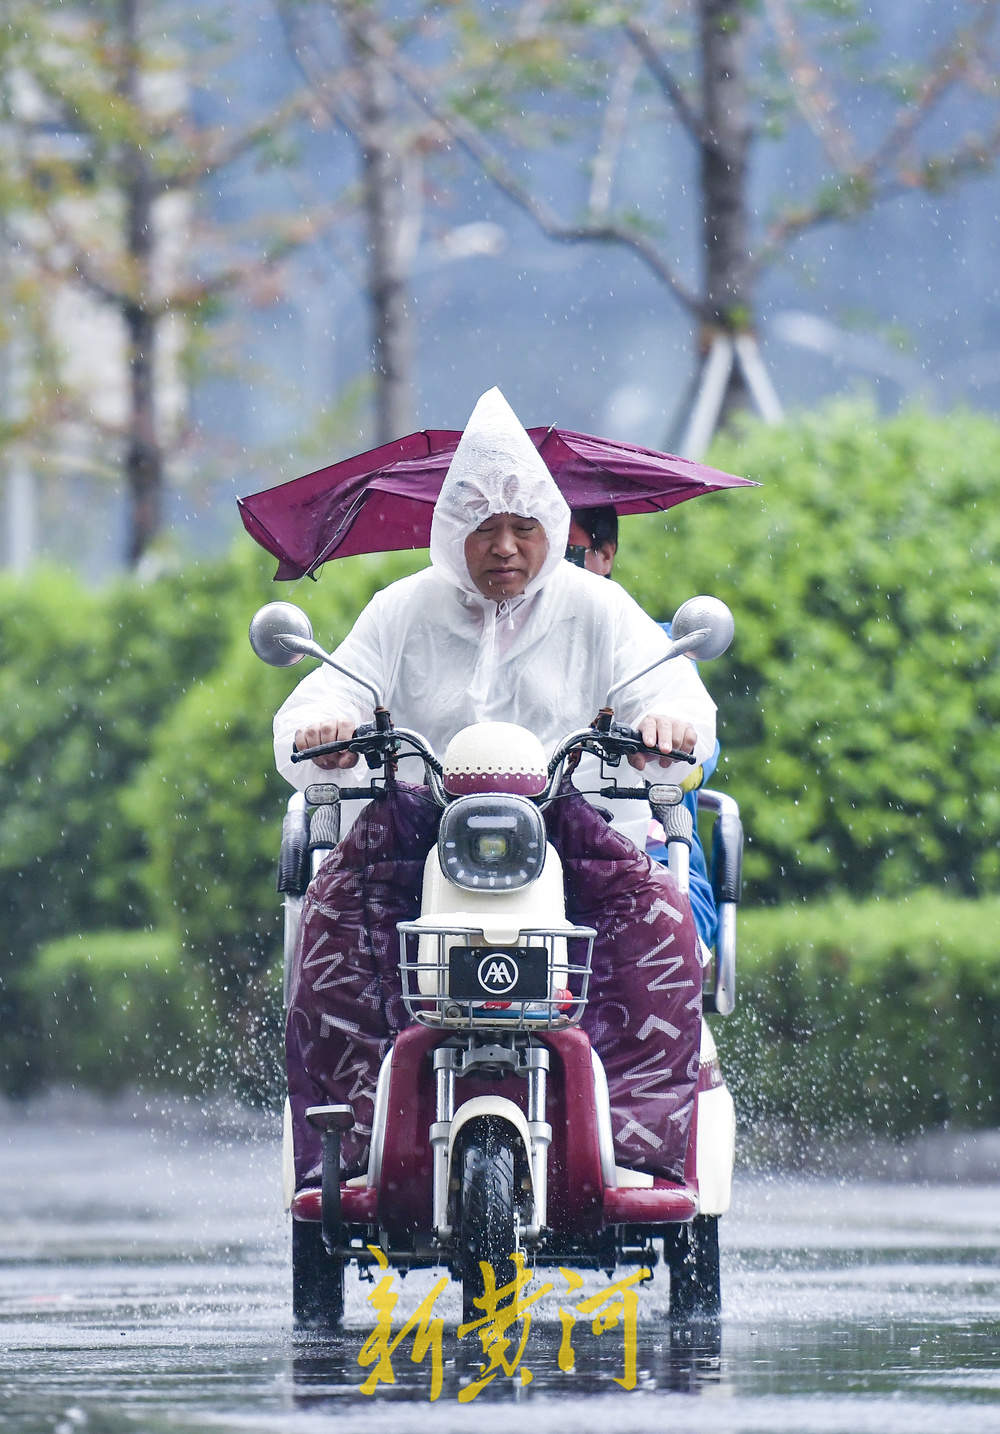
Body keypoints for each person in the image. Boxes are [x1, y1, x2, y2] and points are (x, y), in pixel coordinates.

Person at [274, 387, 718, 1187]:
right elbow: (320, 699)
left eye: (524, 526)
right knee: (329, 925)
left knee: (662, 925)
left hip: (576, 824)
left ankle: (639, 1148)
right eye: (484, 525)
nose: (505, 546)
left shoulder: (601, 610)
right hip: (419, 830)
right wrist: (324, 735)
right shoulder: (400, 610)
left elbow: (678, 698)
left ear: (552, 528)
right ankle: (346, 1145)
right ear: (451, 534)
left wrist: (671, 727)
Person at [568, 505, 720, 949]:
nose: (552, 577)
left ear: (606, 555)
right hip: (519, 849)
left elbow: (698, 756)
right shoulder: (485, 648)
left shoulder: (656, 650)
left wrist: (668, 734)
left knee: (661, 936)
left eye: (570, 557)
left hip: (648, 851)